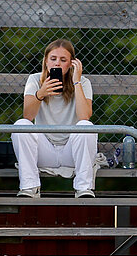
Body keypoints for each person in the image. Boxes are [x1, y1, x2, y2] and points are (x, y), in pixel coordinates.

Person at [14, 38, 97, 198]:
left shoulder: (83, 82)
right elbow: (28, 116)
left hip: (71, 151)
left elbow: (84, 116)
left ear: (71, 63)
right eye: (53, 59)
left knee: (86, 126)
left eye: (63, 60)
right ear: (46, 61)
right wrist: (41, 93)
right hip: (45, 150)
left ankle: (84, 188)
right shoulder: (35, 80)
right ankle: (29, 187)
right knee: (21, 125)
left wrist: (77, 81)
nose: (57, 64)